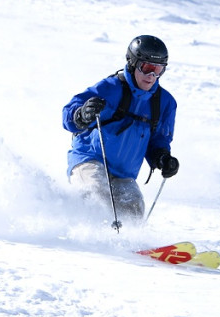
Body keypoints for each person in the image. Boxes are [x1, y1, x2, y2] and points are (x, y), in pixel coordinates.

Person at [62, 35, 180, 222]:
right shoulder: (110, 88)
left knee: (134, 210)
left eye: (159, 70)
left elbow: (158, 140)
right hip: (90, 160)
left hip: (123, 174)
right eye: (148, 68)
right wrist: (82, 114)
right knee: (97, 197)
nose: (152, 76)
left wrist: (162, 158)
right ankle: (83, 239)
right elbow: (68, 113)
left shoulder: (164, 103)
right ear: (133, 63)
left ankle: (126, 246)